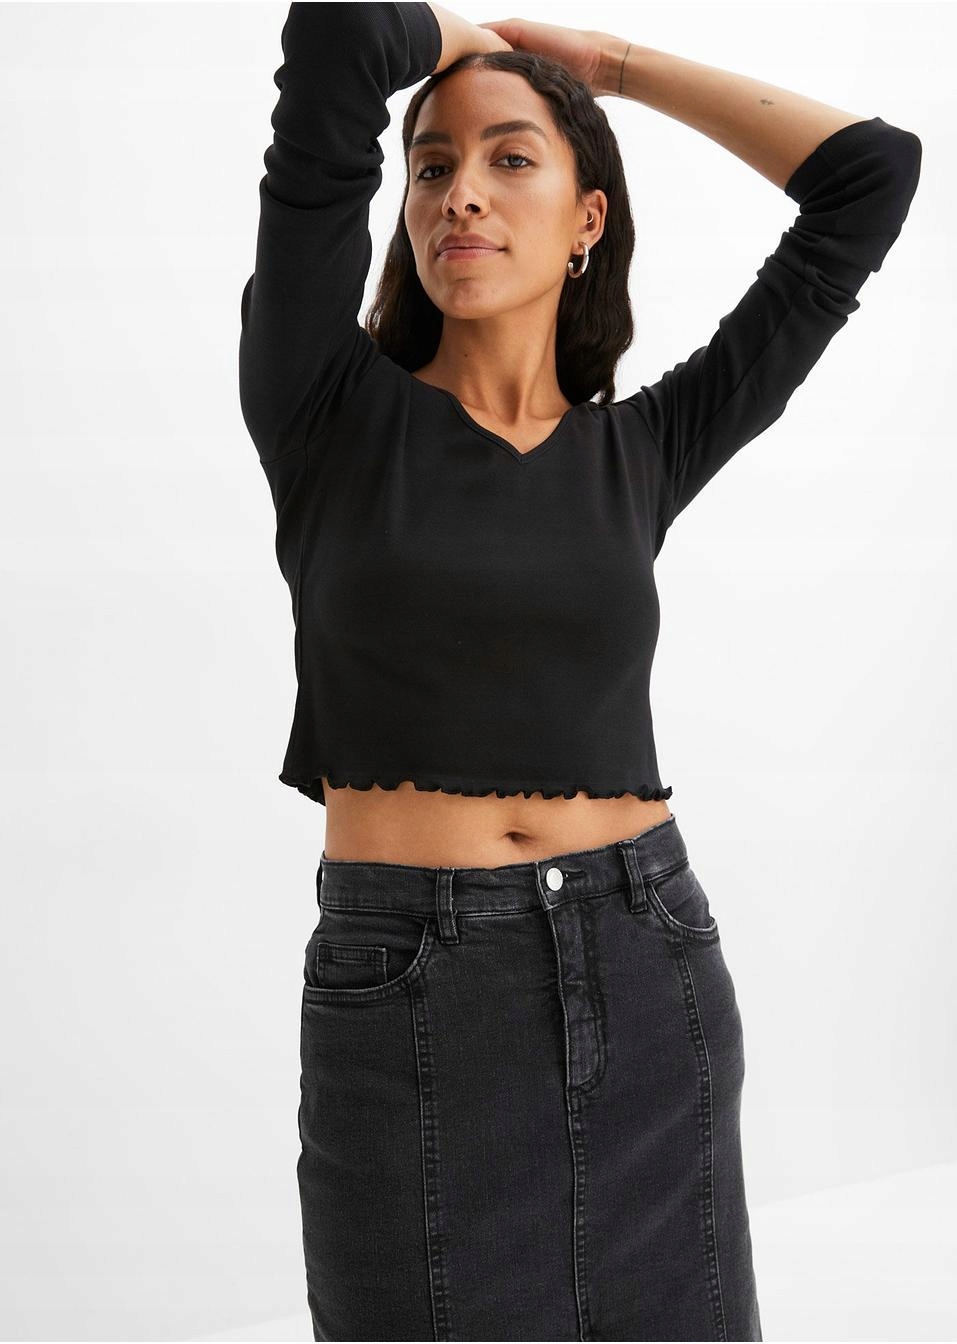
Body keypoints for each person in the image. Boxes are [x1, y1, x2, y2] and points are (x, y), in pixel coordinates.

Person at [238, 3, 921, 1338]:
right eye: (432, 166)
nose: (461, 195)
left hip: (646, 955)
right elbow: (339, 31)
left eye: (511, 160)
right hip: (410, 983)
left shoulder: (647, 450)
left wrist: (607, 67)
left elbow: (869, 175)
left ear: (586, 219)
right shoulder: (321, 402)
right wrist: (466, 46)